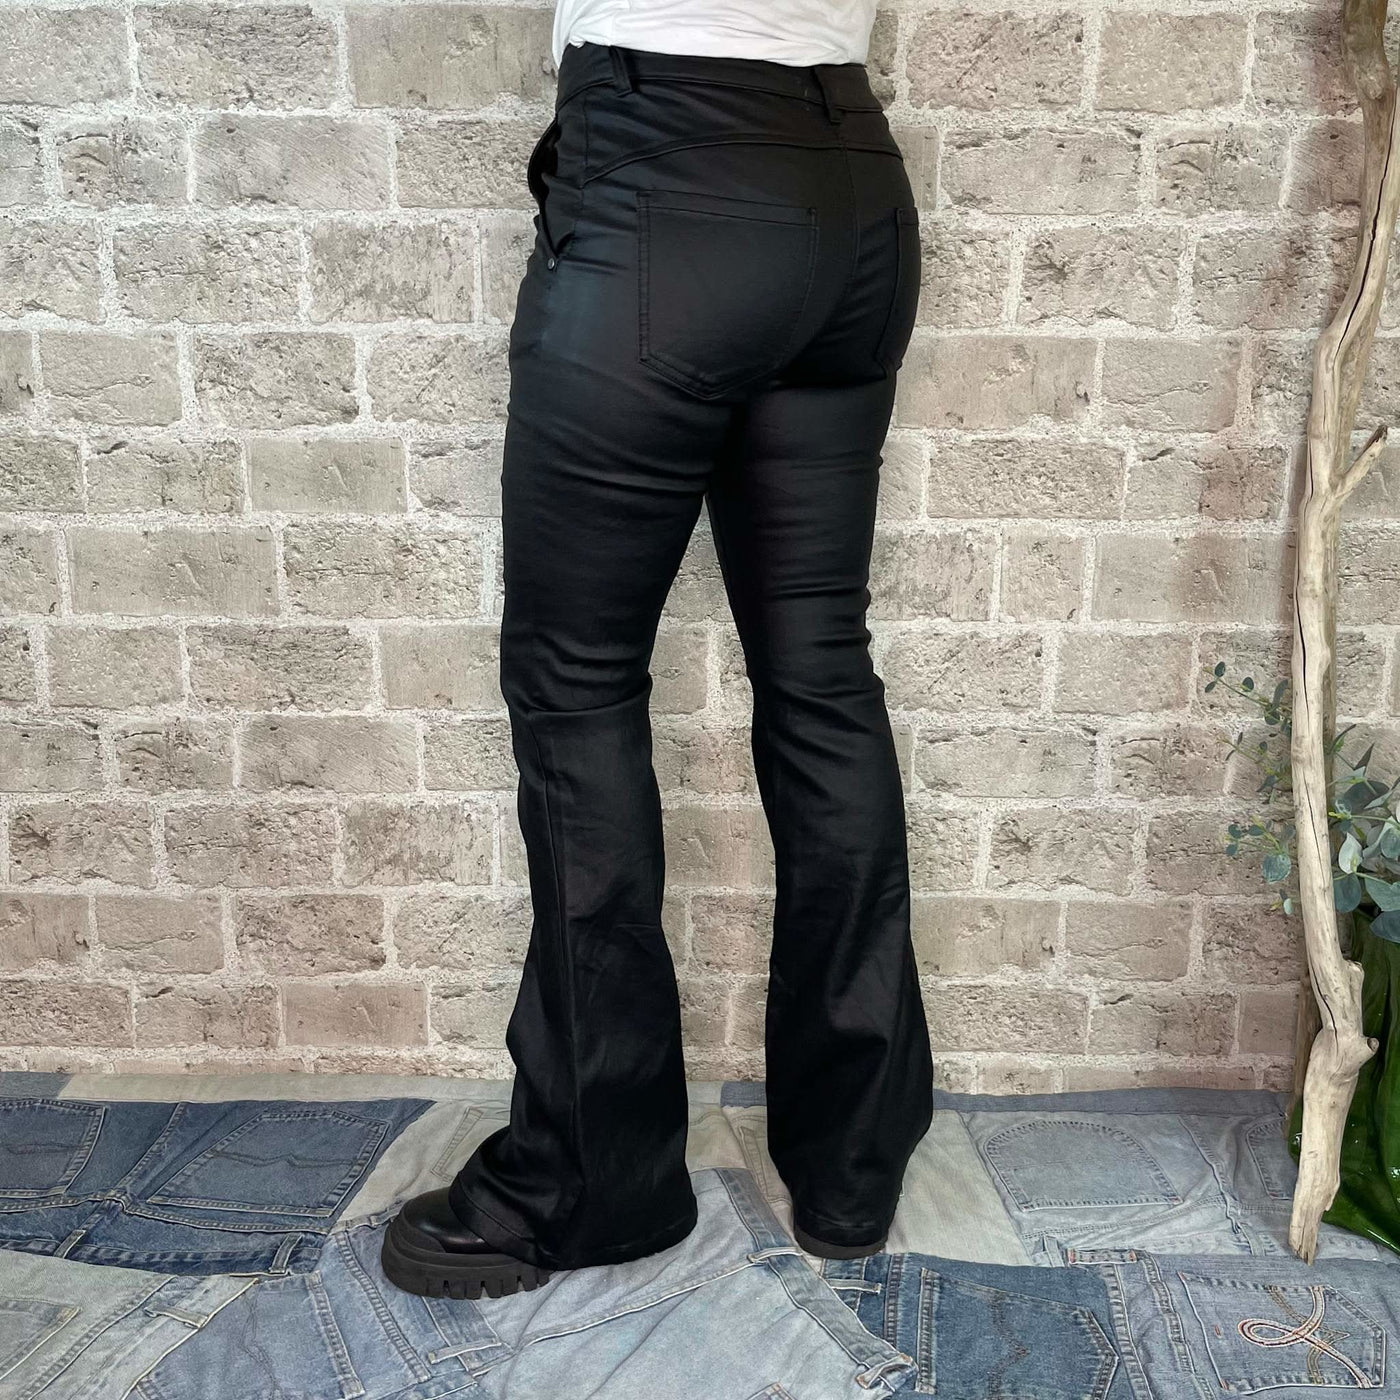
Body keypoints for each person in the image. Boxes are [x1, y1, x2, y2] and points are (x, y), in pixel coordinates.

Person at [381, 0, 935, 1300]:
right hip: (852, 182)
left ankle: (593, 1180)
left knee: (576, 688)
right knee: (821, 675)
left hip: (666, 177)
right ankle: (851, 1169)